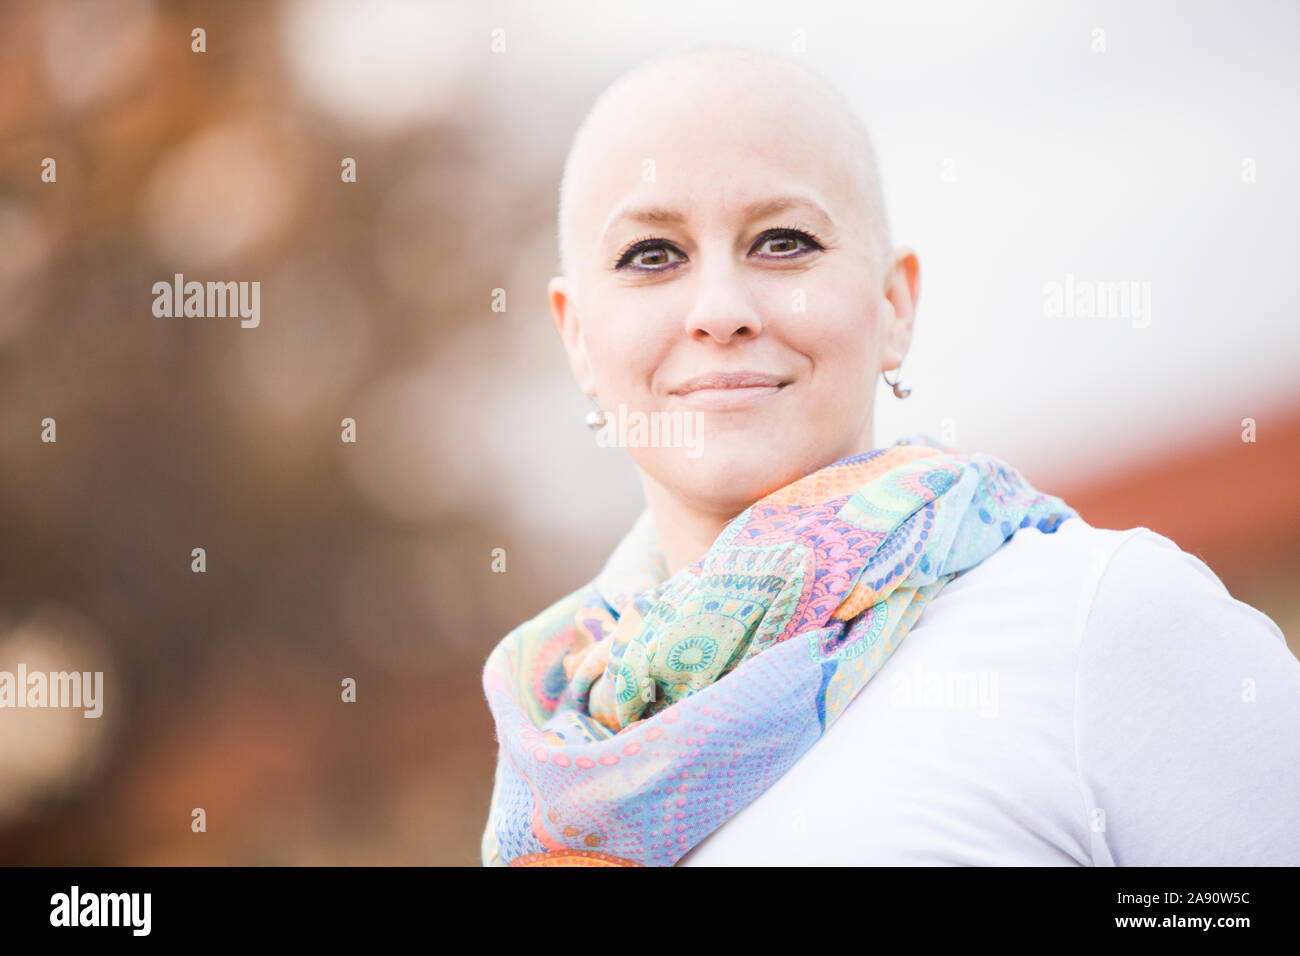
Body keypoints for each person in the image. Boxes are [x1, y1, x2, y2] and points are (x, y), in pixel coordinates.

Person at [479, 44, 1300, 866]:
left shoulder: (1104, 622)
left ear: (894, 303)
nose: (720, 310)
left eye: (784, 242)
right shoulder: (556, 724)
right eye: (652, 255)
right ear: (578, 337)